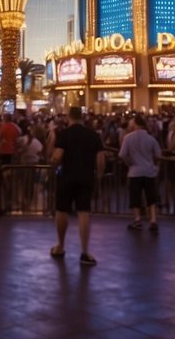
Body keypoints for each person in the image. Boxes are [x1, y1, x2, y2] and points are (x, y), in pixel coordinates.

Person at [50, 106, 104, 266]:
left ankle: (60, 245)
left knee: (62, 210)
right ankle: (85, 252)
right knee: (84, 212)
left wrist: (53, 165)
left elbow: (57, 156)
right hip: (86, 177)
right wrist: (99, 175)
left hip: (67, 177)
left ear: (68, 117)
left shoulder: (65, 134)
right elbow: (100, 159)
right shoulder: (93, 135)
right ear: (82, 117)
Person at [119, 116, 161, 232]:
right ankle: (153, 220)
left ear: (135, 124)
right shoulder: (151, 138)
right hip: (149, 171)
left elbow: (122, 154)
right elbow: (158, 154)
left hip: (134, 172)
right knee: (151, 197)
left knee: (135, 197)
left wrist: (129, 163)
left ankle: (137, 219)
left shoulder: (128, 138)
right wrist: (154, 165)